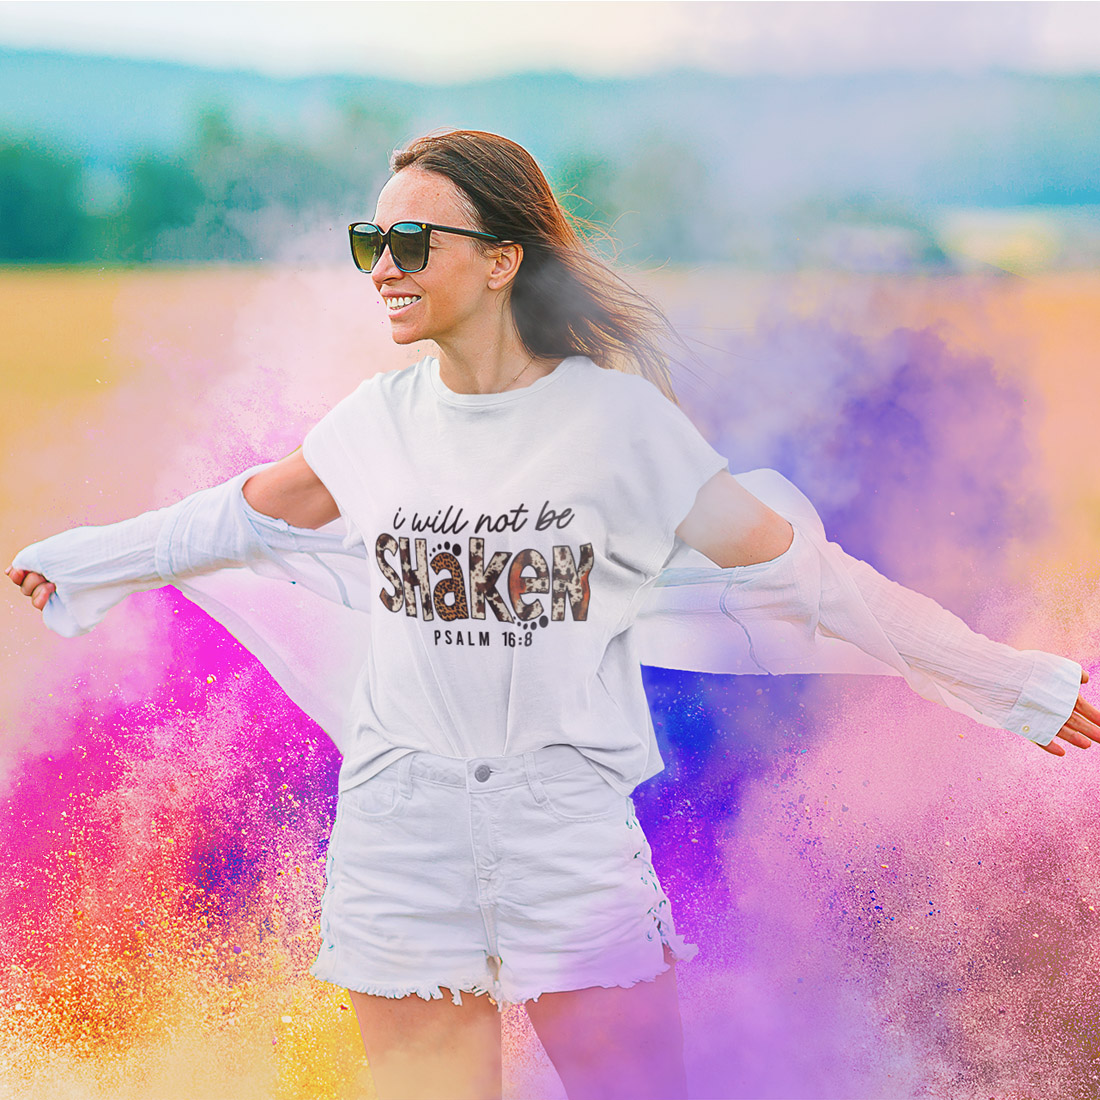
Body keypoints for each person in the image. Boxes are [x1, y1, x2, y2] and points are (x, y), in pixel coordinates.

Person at [8, 129, 1100, 1100]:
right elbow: (234, 518)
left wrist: (1002, 681)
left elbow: (812, 580)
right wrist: (83, 559)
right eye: (367, 244)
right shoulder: (372, 421)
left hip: (566, 847)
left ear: (499, 258)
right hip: (402, 846)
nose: (381, 269)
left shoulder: (619, 426)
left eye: (410, 244)